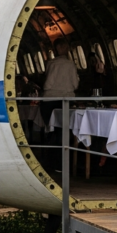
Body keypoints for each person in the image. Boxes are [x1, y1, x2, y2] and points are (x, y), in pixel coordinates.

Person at [41, 39, 80, 170]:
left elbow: (48, 83)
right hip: (66, 100)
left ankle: (50, 162)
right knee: (64, 133)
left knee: (51, 132)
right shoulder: (71, 65)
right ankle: (63, 163)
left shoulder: (51, 64)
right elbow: (75, 84)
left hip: (49, 101)